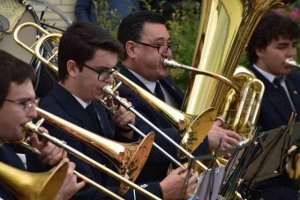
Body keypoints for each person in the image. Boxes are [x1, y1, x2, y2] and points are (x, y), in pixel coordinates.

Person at [40, 21, 197, 199]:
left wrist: (125, 131)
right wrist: (159, 192)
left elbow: (113, 164)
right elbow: (84, 194)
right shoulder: (53, 116)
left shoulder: (95, 102)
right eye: (103, 71)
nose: (109, 81)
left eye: (112, 70)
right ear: (73, 68)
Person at [116, 10, 241, 186]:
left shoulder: (165, 82)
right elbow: (144, 140)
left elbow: (188, 120)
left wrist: (214, 124)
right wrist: (204, 138)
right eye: (159, 45)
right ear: (132, 49)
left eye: (169, 44)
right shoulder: (117, 89)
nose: (168, 53)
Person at [0, 49, 85, 199]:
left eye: (34, 102)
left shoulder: (7, 153)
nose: (34, 114)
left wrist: (45, 162)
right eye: (24, 103)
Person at [246, 11, 300, 200]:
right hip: (269, 188)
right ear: (260, 50)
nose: (291, 54)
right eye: (282, 47)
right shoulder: (249, 87)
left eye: (294, 46)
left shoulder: (295, 79)